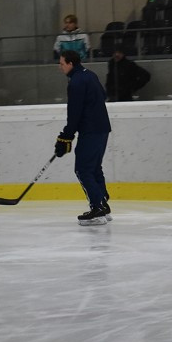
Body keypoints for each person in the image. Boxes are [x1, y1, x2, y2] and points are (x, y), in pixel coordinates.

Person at [54, 49, 113, 225]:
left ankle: (97, 209)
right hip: (102, 129)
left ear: (71, 63)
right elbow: (103, 95)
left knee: (83, 169)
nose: (60, 67)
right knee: (94, 168)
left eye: (62, 63)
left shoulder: (76, 82)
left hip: (91, 131)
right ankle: (103, 205)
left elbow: (74, 112)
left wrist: (66, 136)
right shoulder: (90, 75)